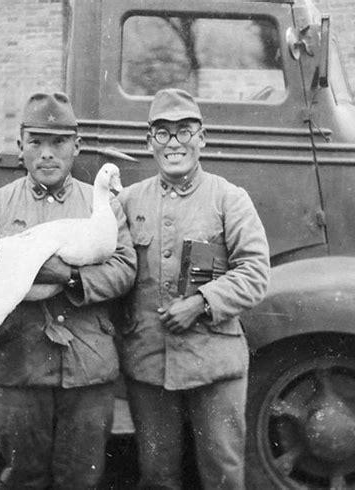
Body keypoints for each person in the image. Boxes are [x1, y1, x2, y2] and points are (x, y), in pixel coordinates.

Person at [0, 92, 136, 489]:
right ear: (20, 148)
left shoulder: (101, 205)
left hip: (87, 372)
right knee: (24, 477)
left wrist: (68, 276)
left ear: (77, 146)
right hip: (19, 368)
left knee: (80, 479)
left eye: (59, 142)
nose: (47, 154)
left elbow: (124, 269)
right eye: (36, 142)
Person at [118, 88, 270, 489]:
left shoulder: (228, 199)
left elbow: (255, 272)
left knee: (222, 473)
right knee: (157, 476)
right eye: (163, 133)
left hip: (215, 362)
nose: (174, 143)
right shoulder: (127, 202)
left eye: (184, 131)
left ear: (202, 138)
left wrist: (202, 302)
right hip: (149, 361)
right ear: (149, 141)